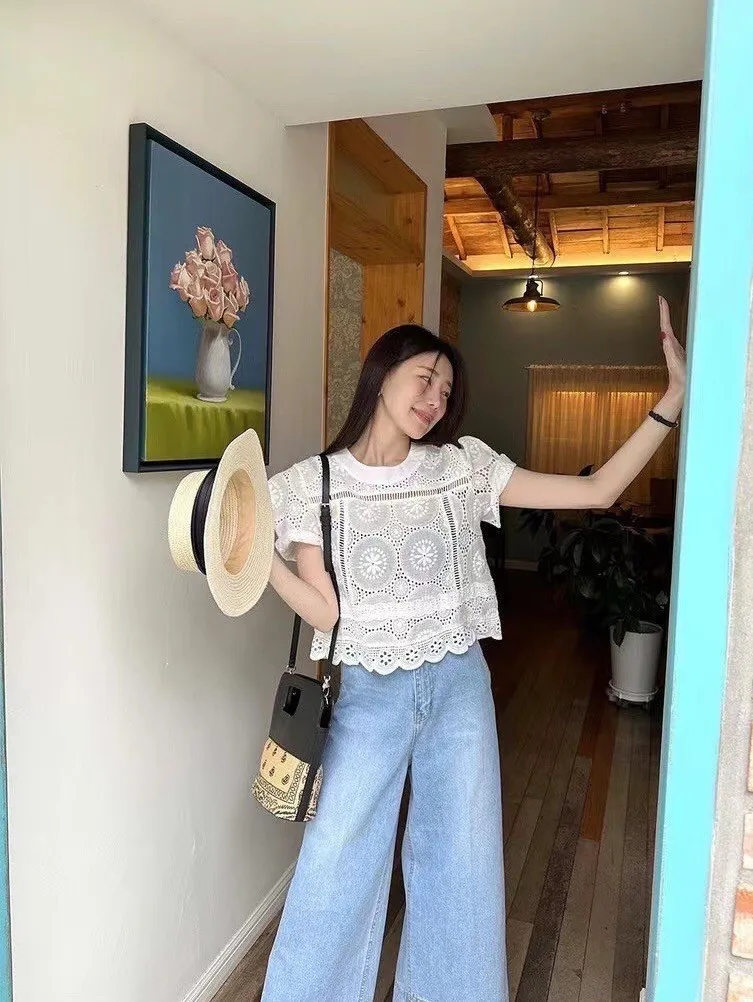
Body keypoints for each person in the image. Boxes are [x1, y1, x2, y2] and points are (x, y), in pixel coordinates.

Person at [260, 297, 686, 1002]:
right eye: (424, 379)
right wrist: (261, 560)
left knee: (461, 865)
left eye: (446, 391)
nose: (435, 400)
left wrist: (670, 400)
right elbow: (324, 612)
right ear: (383, 372)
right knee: (334, 864)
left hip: (458, 687)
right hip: (366, 694)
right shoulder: (314, 485)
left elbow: (598, 489)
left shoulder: (462, 467)